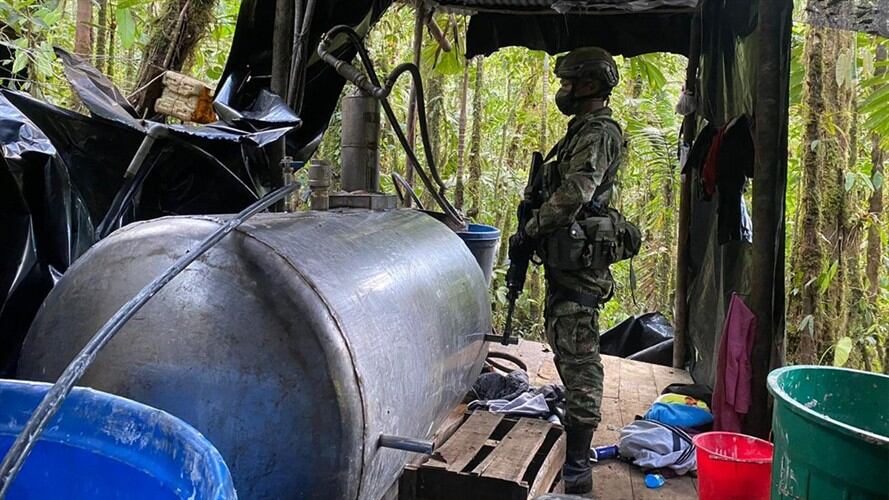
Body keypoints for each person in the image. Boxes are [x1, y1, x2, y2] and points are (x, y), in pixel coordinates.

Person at [522, 46, 625, 495]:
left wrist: (534, 226)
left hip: (580, 262)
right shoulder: (579, 131)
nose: (562, 91)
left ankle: (578, 465)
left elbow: (577, 191)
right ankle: (575, 439)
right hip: (567, 256)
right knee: (565, 341)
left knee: (580, 353)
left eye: (568, 83)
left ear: (589, 85)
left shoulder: (599, 132)